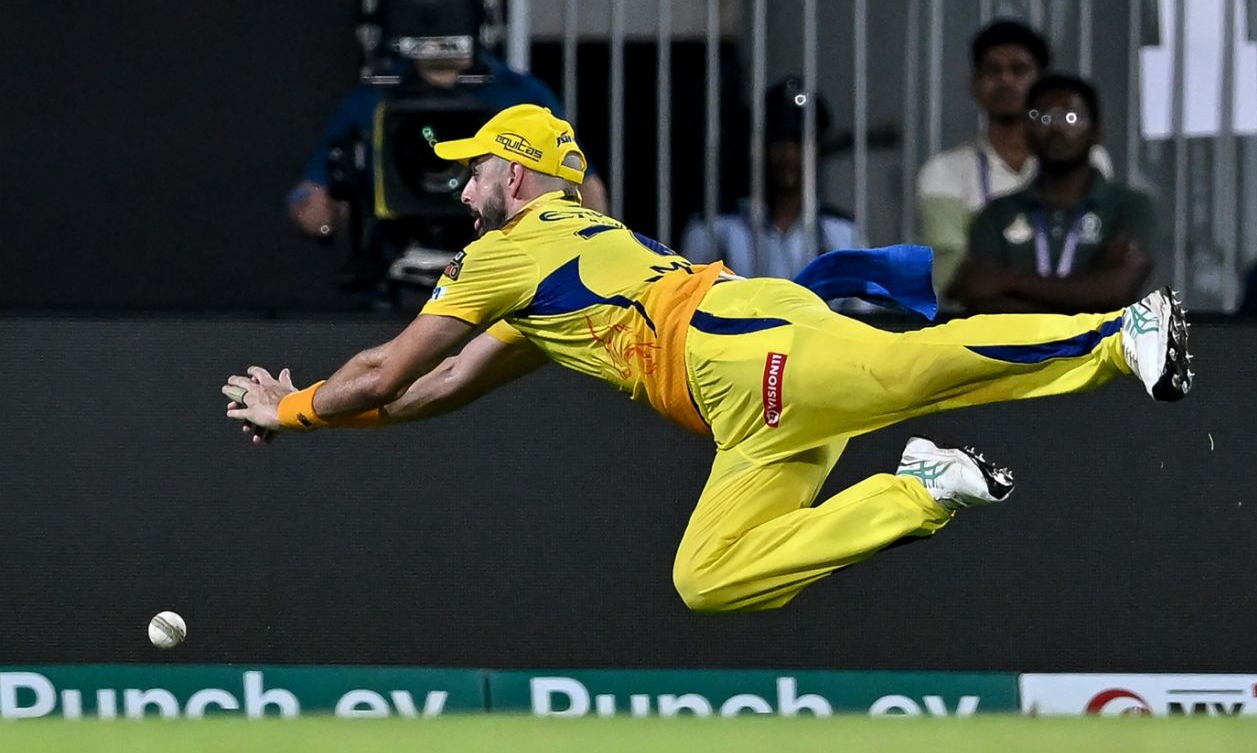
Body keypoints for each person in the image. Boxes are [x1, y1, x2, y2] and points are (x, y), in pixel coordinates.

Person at [225, 104, 1193, 614]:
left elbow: (384, 370)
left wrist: (300, 407)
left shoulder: (508, 248)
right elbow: (432, 388)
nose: (464, 178)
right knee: (710, 580)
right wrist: (320, 415)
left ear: (513, 177)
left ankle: (1118, 333)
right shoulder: (548, 276)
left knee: (921, 366)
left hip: (746, 352)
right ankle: (920, 489)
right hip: (749, 416)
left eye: (475, 164)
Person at [288, 0, 607, 242]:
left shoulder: (519, 93)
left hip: (503, 254)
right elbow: (316, 190)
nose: (433, 18)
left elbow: (582, 179)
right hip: (395, 253)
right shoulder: (371, 100)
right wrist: (318, 208)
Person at [916, 20, 1114, 296]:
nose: (1006, 80)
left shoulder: (1090, 159)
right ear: (974, 84)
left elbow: (1100, 260)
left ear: (1043, 83)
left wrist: (1005, 281)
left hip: (1078, 328)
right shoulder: (943, 172)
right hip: (982, 328)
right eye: (992, 70)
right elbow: (952, 275)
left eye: (1019, 70)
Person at [948, 74, 1156, 314]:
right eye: (1042, 117)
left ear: (1096, 132)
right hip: (1015, 350)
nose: (1056, 127)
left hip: (1102, 351)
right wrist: (1088, 288)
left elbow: (1117, 292)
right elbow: (980, 296)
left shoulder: (1130, 206)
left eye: (1071, 117)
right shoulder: (997, 213)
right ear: (1025, 130)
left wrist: (1008, 281)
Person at [681, 77, 863, 279]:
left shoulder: (842, 233)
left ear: (818, 150)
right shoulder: (716, 227)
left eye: (798, 143)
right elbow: (689, 301)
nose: (788, 155)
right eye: (778, 142)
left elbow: (860, 309)